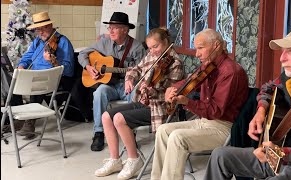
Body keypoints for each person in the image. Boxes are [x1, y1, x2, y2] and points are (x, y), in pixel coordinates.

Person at [203, 28, 291, 180]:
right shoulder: (290, 79)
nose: (281, 58)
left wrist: (280, 154)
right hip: (279, 158)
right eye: (282, 52)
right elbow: (267, 88)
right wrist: (261, 110)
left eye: (290, 51)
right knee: (220, 155)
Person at [150, 28, 249, 180]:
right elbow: (189, 82)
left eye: (200, 48)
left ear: (216, 45)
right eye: (196, 48)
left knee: (178, 137)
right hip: (205, 122)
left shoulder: (231, 72)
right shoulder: (207, 65)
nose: (197, 54)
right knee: (163, 130)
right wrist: (173, 89)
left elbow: (215, 111)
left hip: (223, 127)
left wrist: (187, 102)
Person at [94, 27, 184, 179]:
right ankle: (115, 159)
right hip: (145, 102)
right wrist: (129, 80)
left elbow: (169, 95)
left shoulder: (175, 63)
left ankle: (134, 159)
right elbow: (134, 69)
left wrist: (150, 90)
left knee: (119, 119)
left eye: (156, 46)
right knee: (106, 116)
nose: (153, 51)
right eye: (150, 48)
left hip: (161, 108)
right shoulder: (151, 56)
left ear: (166, 42)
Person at [74, 11, 147, 151]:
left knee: (136, 94)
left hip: (128, 84)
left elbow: (143, 71)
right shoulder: (104, 42)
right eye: (110, 27)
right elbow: (83, 54)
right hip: (111, 85)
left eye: (115, 27)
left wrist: (131, 78)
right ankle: (99, 132)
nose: (111, 30)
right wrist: (88, 67)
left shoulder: (137, 47)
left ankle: (130, 133)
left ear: (125, 30)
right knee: (99, 92)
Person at [16, 11, 75, 138]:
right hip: (37, 76)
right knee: (15, 80)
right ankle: (18, 119)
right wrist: (21, 66)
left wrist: (53, 61)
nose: (40, 32)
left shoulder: (63, 42)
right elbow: (27, 57)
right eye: (38, 29)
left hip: (56, 79)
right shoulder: (37, 41)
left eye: (43, 29)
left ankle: (30, 122)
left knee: (37, 81)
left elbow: (69, 70)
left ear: (50, 26)